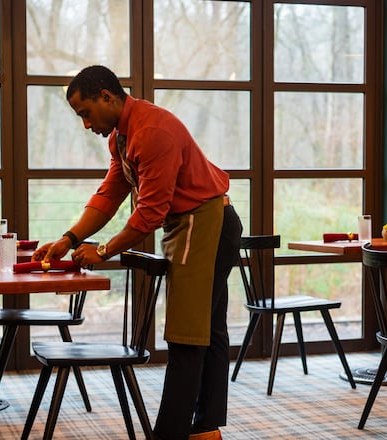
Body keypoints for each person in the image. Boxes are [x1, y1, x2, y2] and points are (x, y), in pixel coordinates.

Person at [33, 65, 242, 440]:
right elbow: (111, 194)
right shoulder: (121, 137)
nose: (85, 124)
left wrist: (103, 250)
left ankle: (173, 433)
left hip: (207, 221)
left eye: (85, 113)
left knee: (187, 334)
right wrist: (69, 238)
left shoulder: (152, 132)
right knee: (206, 327)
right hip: (193, 222)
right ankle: (206, 429)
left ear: (107, 98)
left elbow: (149, 213)